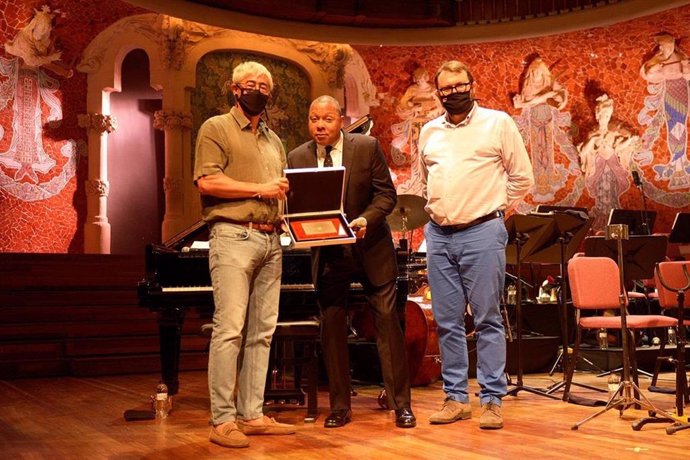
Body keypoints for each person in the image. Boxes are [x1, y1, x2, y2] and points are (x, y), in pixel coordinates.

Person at [418, 60, 534, 430]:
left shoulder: (498, 123)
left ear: (472, 84)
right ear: (438, 93)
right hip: (437, 234)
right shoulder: (429, 131)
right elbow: (425, 180)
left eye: (459, 86)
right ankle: (455, 399)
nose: (453, 93)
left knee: (486, 319)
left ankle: (491, 400)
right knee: (448, 322)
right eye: (446, 89)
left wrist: (493, 206)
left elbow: (522, 178)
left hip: (482, 232)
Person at [287, 95, 415, 429]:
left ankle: (401, 404)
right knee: (331, 328)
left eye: (327, 119)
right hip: (329, 253)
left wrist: (365, 221)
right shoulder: (297, 156)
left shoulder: (366, 147)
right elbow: (298, 208)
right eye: (314, 118)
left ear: (341, 120)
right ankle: (340, 407)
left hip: (370, 247)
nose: (319, 125)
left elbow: (386, 195)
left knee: (387, 322)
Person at [193, 61, 294, 449]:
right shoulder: (215, 127)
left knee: (262, 332)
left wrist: (287, 217)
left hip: (272, 240)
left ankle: (251, 414)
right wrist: (260, 190)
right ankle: (222, 420)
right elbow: (208, 180)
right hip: (233, 235)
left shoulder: (274, 139)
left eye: (264, 86)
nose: (258, 91)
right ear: (234, 89)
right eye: (250, 84)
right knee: (230, 328)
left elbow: (280, 189)